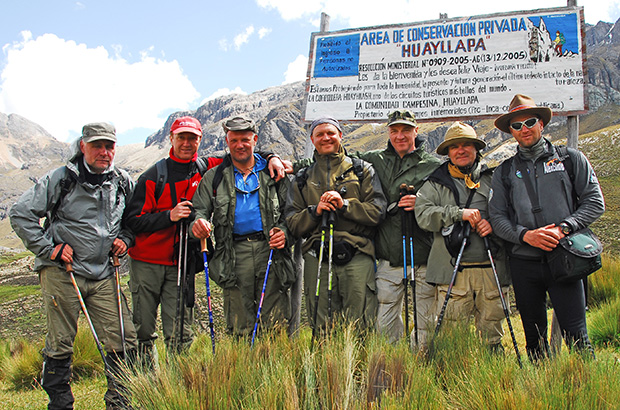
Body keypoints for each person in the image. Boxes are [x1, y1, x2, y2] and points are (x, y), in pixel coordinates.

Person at [123, 116, 286, 357]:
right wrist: (170, 216)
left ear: (200, 140)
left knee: (180, 331)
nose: (187, 143)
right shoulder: (152, 177)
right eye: (181, 137)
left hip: (182, 263)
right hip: (148, 261)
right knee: (144, 328)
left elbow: (244, 150)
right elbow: (132, 221)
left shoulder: (207, 166)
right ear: (171, 139)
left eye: (192, 138)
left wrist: (273, 157)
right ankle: (146, 383)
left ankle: (178, 382)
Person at [10, 122, 137, 410]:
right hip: (62, 271)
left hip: (104, 271)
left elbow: (132, 219)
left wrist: (126, 239)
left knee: (123, 338)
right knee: (61, 341)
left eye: (109, 146)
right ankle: (60, 404)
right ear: (83, 146)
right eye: (97, 146)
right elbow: (20, 214)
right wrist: (49, 249)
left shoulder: (122, 181)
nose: (104, 152)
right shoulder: (61, 178)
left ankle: (120, 402)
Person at [489, 94, 605, 360]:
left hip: (565, 259)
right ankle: (542, 392)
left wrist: (564, 228)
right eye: (516, 126)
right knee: (534, 339)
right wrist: (525, 236)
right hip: (523, 263)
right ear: (511, 131)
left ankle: (586, 393)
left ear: (541, 124)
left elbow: (595, 202)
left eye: (529, 122)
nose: (524, 129)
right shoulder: (504, 172)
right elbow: (497, 218)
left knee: (577, 335)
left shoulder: (570, 159)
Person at [191, 116, 294, 336]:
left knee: (274, 319)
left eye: (245, 140)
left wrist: (284, 232)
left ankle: (275, 365)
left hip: (271, 252)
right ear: (227, 142)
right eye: (234, 140)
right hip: (232, 254)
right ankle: (242, 365)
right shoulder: (214, 177)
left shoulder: (273, 172)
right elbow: (198, 210)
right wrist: (198, 222)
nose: (240, 145)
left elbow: (291, 211)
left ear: (255, 139)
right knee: (239, 321)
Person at [285, 117, 386, 333]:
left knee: (360, 326)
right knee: (321, 326)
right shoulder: (302, 178)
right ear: (312, 139)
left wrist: (345, 205)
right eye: (319, 134)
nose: (326, 138)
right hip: (317, 257)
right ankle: (326, 367)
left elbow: (377, 212)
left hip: (357, 255)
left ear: (340, 135)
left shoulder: (362, 170)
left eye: (330, 133)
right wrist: (315, 212)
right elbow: (293, 223)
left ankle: (357, 367)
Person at [415, 122, 510, 350]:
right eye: (455, 146)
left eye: (467, 144)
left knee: (492, 335)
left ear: (476, 148)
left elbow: (512, 213)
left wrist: (494, 226)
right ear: (447, 152)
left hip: (491, 269)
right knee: (450, 335)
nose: (461, 150)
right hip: (451, 272)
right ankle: (451, 377)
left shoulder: (494, 179)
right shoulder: (434, 184)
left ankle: (495, 378)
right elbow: (423, 215)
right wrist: (458, 214)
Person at [356, 110, 441, 347]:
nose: (400, 136)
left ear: (416, 131)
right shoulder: (375, 159)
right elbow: (336, 159)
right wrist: (276, 160)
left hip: (423, 256)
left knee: (425, 321)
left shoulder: (434, 166)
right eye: (394, 131)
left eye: (405, 130)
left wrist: (421, 203)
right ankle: (393, 369)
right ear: (389, 133)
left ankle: (421, 369)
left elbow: (447, 202)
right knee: (384, 322)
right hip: (388, 257)